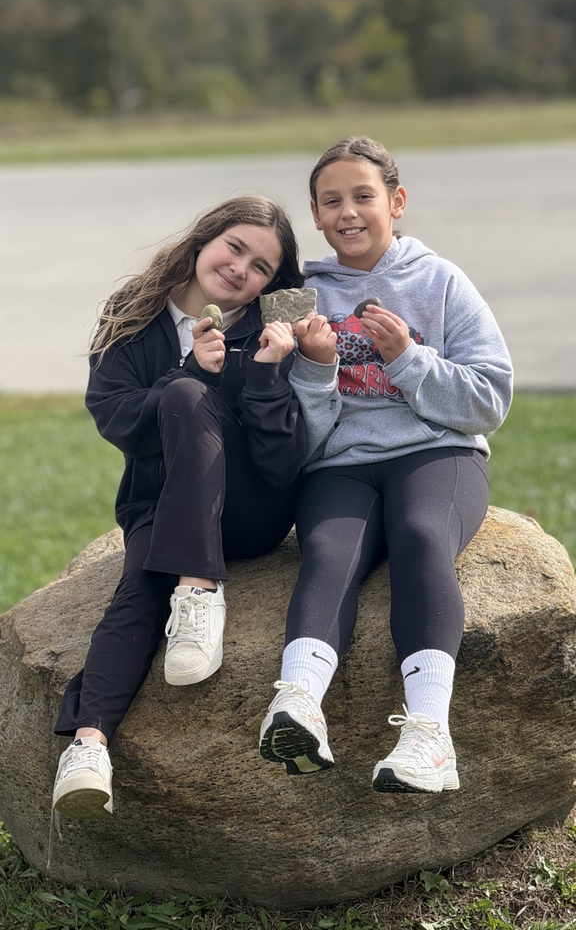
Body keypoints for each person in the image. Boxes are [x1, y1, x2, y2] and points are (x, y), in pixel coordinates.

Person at [259, 136, 513, 793]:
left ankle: (430, 738)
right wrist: (316, 370)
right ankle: (297, 705)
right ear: (314, 216)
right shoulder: (295, 296)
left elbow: (489, 400)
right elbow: (287, 431)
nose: (348, 211)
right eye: (331, 200)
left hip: (438, 455)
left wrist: (406, 357)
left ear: (396, 202)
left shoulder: (442, 280)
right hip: (338, 465)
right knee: (325, 550)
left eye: (364, 196)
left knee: (422, 536)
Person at [52, 196, 307, 820]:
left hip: (249, 515)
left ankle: (199, 589)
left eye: (263, 267)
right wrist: (185, 371)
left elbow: (283, 466)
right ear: (204, 240)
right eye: (236, 247)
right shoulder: (133, 314)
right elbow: (115, 418)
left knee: (193, 393)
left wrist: (269, 377)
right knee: (137, 586)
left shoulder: (270, 329)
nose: (242, 268)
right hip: (160, 506)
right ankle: (87, 748)